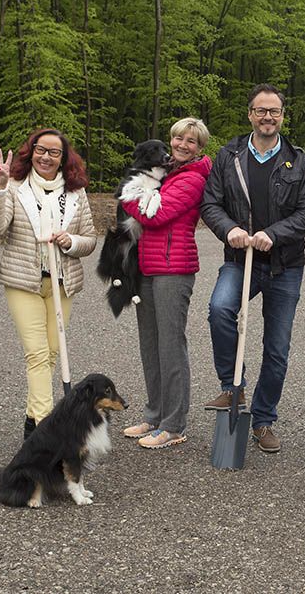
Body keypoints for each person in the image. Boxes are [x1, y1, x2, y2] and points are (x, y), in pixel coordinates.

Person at [200, 83, 305, 453]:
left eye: (275, 111)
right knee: (220, 308)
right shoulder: (229, 155)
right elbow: (211, 204)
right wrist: (230, 229)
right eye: (261, 111)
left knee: (277, 348)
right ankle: (231, 387)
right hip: (240, 260)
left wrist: (274, 233)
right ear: (250, 114)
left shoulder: (299, 161)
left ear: (282, 116)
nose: (268, 117)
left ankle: (264, 418)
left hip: (285, 265)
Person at [0, 128, 97, 439]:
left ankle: (32, 423)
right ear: (31, 152)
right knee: (36, 353)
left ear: (64, 158)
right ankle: (48, 429)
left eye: (53, 152)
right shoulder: (15, 186)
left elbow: (89, 240)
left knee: (51, 354)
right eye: (40, 150)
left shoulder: (76, 192)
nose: (45, 156)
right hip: (24, 282)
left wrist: (70, 240)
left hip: (62, 283)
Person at [119, 118, 212, 449]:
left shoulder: (193, 179)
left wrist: (127, 195)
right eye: (178, 138)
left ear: (200, 148)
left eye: (191, 141)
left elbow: (153, 215)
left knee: (171, 345)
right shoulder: (165, 173)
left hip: (174, 268)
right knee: (150, 343)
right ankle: (154, 414)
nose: (182, 144)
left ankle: (173, 425)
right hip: (147, 267)